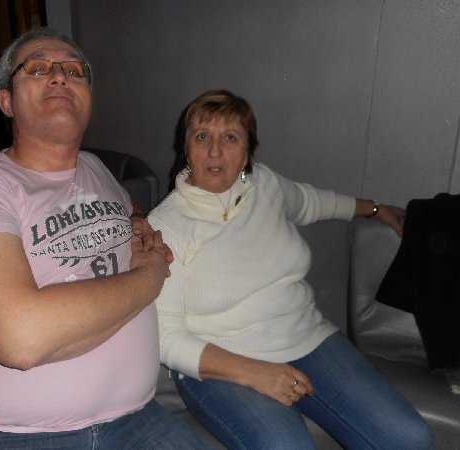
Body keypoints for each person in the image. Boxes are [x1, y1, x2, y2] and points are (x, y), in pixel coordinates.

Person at [0, 27, 213, 449]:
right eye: (36, 69)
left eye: (73, 70)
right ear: (6, 101)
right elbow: (22, 338)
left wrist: (139, 222)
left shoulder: (95, 168)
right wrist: (151, 276)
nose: (59, 76)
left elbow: (127, 212)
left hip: (134, 419)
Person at [147, 89, 433, 449]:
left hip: (306, 337)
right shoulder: (166, 224)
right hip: (219, 363)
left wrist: (375, 209)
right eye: (202, 136)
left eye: (230, 137)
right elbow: (165, 338)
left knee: (408, 437)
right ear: (186, 148)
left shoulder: (264, 184)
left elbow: (312, 202)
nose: (215, 151)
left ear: (248, 152)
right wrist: (256, 373)